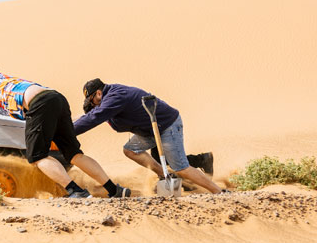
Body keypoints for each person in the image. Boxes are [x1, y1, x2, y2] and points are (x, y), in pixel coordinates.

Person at [0, 65, 130, 199]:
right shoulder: (4, 86)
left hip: (38, 105)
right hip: (56, 99)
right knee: (74, 154)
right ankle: (114, 189)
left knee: (37, 156)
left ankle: (76, 191)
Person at [75, 78, 223, 194]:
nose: (93, 106)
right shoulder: (110, 99)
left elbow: (95, 117)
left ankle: (219, 191)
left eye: (92, 102)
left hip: (166, 126)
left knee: (180, 167)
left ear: (99, 94)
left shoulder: (115, 97)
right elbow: (96, 116)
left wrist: (70, 132)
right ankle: (167, 177)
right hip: (150, 130)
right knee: (131, 150)